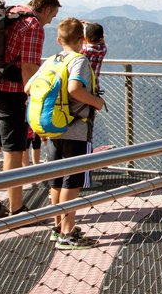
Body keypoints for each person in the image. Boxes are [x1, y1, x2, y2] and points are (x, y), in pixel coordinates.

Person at [0, 0, 60, 219]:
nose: (51, 20)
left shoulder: (12, 14)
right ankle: (16, 210)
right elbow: (29, 67)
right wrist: (33, 97)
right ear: (44, 9)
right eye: (52, 14)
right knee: (13, 151)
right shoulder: (33, 25)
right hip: (9, 92)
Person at [31, 18, 105, 250]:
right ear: (82, 40)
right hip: (76, 129)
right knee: (71, 183)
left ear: (58, 39)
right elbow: (75, 89)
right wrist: (97, 102)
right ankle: (68, 234)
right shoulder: (79, 60)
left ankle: (57, 228)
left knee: (56, 181)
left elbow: (29, 87)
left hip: (53, 128)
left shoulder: (51, 60)